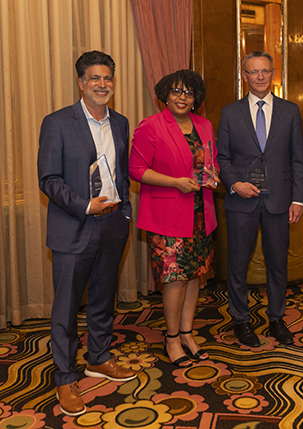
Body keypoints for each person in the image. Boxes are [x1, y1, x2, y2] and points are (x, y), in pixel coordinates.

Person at [38, 51, 136, 417]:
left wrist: (121, 209)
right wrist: (84, 205)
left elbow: (122, 173)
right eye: (94, 78)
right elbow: (48, 178)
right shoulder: (58, 122)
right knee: (65, 307)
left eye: (107, 78)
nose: (102, 84)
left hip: (113, 223)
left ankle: (99, 357)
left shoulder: (122, 123)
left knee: (103, 298)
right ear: (81, 83)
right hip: (73, 225)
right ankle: (65, 376)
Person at [216, 51, 303, 348]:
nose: (259, 77)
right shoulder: (230, 112)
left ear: (273, 74)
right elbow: (222, 158)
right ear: (244, 75)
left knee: (278, 263)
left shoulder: (290, 110)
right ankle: (241, 321)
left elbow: (298, 159)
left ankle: (277, 318)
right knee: (237, 265)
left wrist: (299, 199)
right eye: (253, 72)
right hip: (241, 201)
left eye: (265, 71)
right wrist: (235, 184)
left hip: (279, 201)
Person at [130, 70, 219, 367]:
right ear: (165, 95)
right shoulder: (152, 126)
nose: (182, 97)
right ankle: (170, 338)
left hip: (200, 213)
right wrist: (175, 181)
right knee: (174, 279)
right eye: (177, 91)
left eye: (189, 93)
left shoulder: (204, 126)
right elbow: (136, 169)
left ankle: (187, 333)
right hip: (166, 215)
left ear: (196, 99)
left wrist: (212, 175)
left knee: (195, 275)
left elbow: (211, 160)